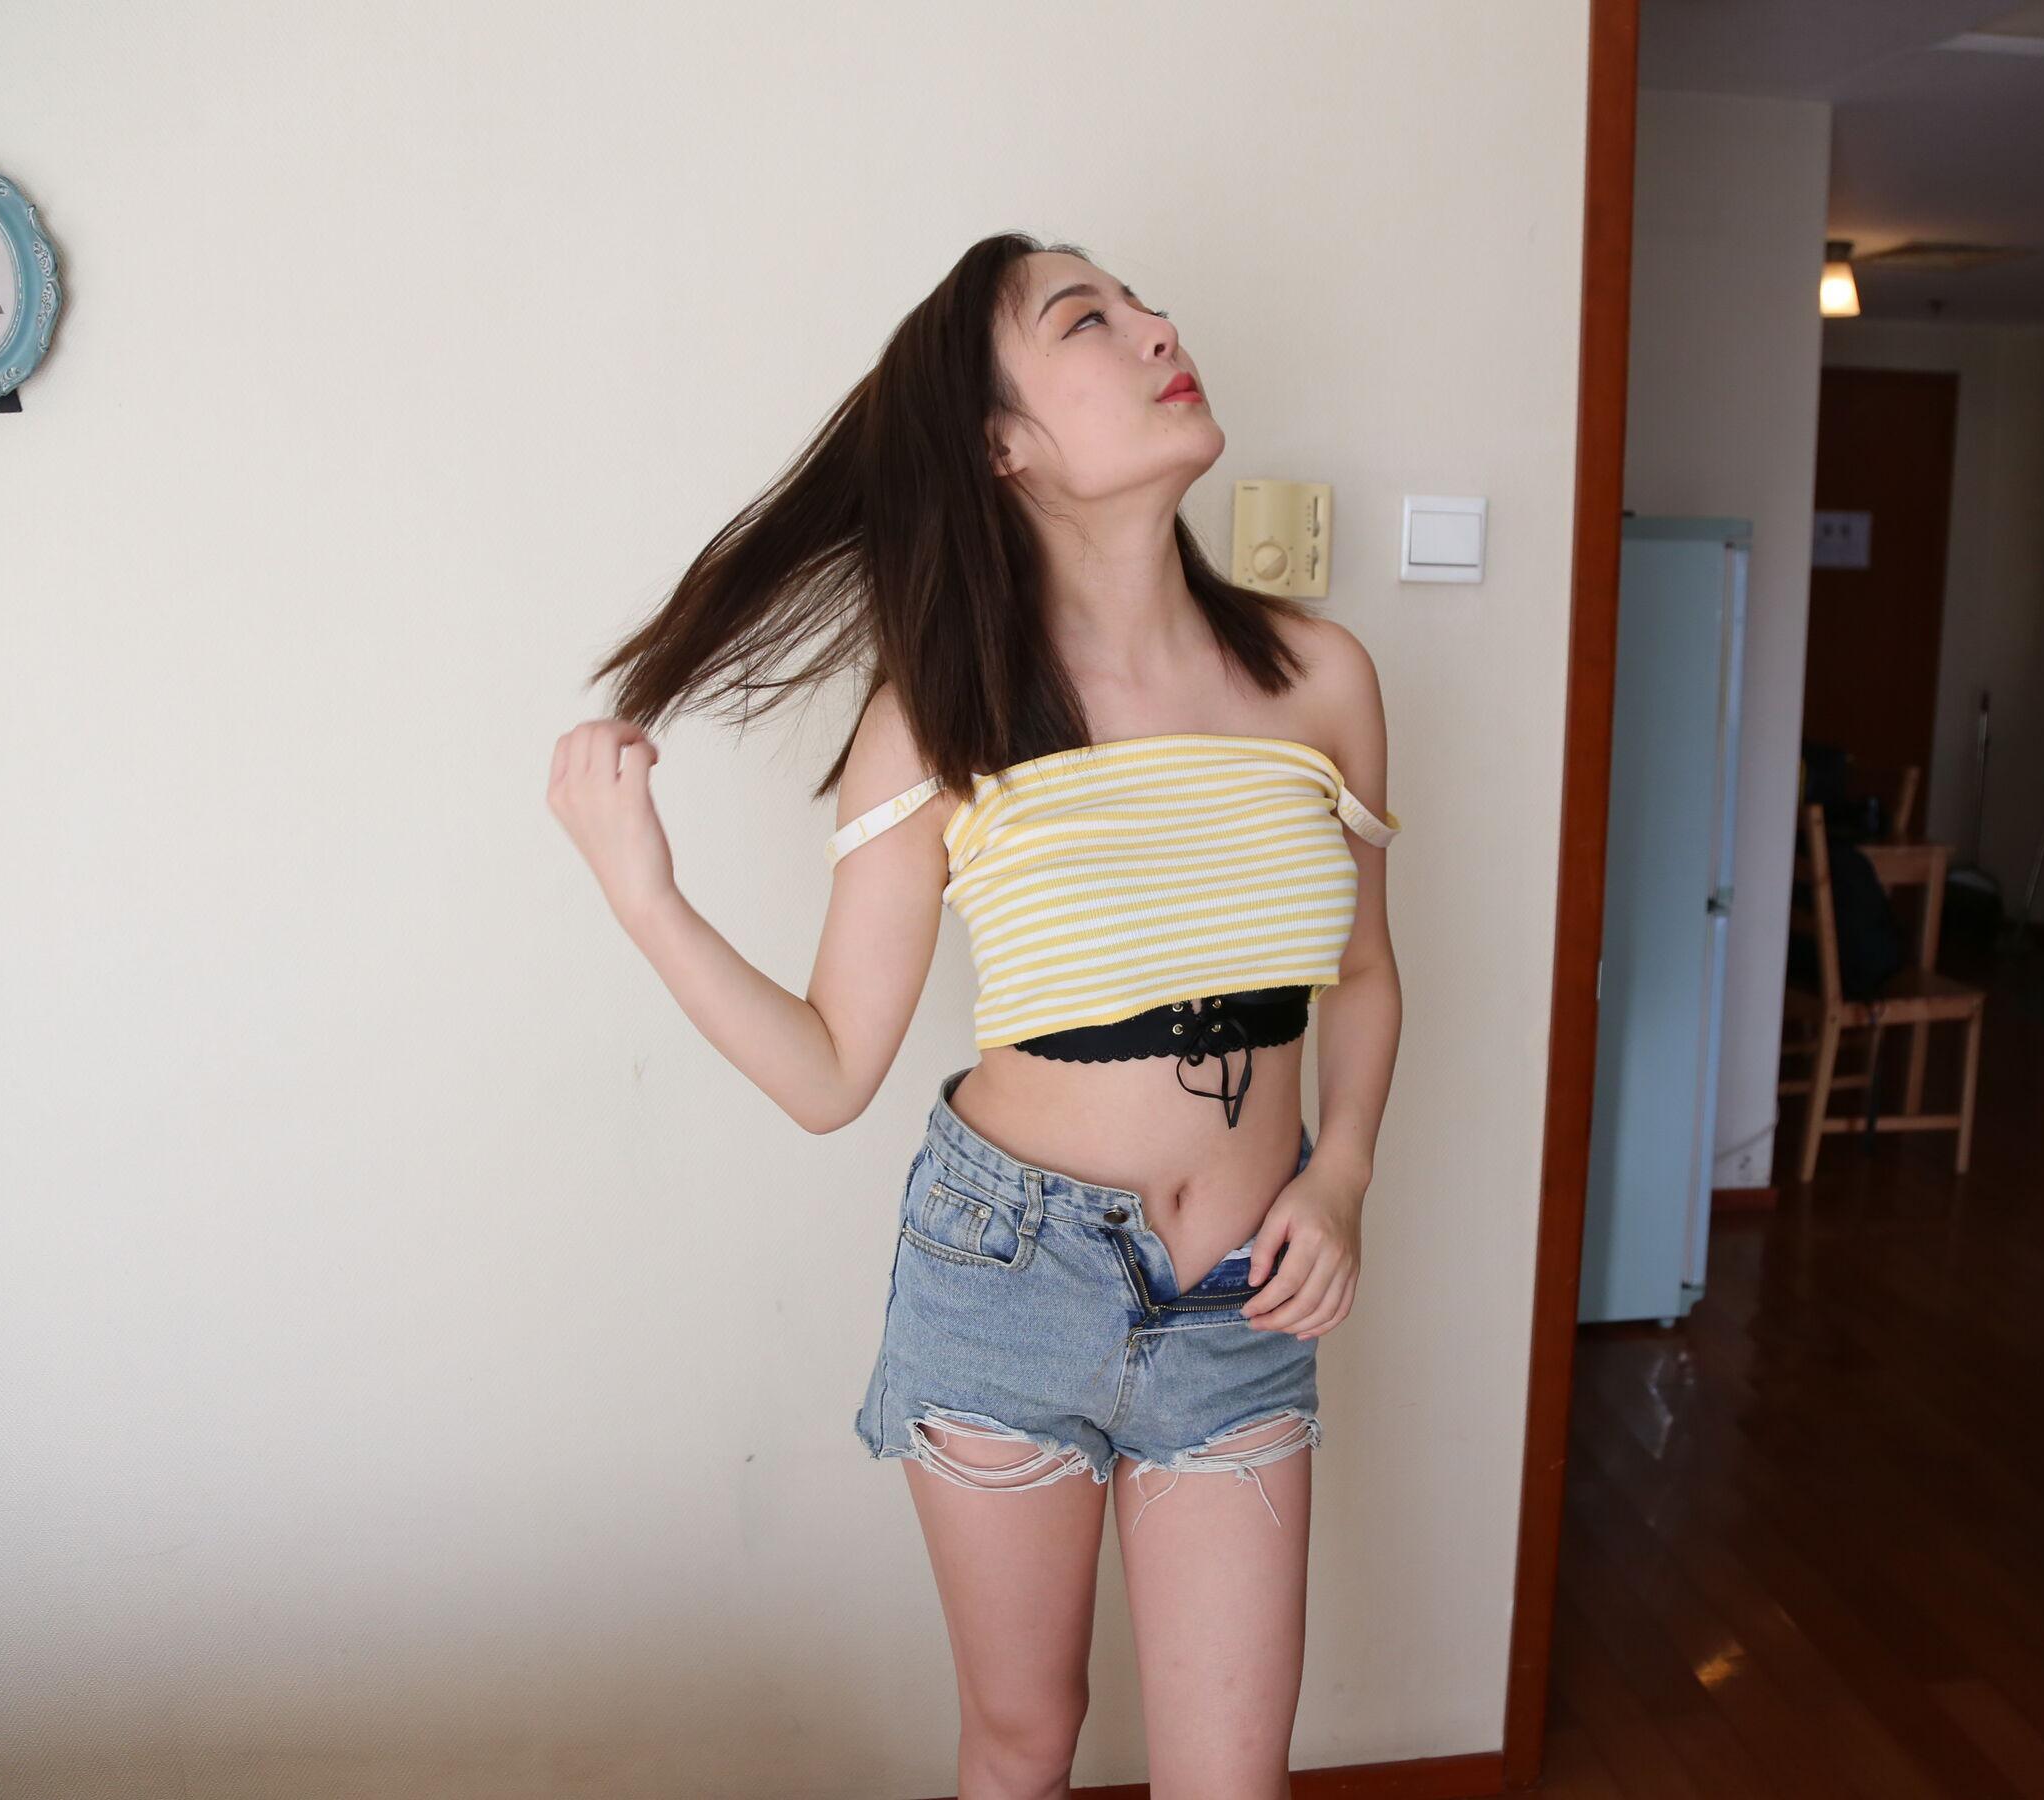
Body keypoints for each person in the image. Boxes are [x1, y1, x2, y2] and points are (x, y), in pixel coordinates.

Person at [545, 232, 1402, 1799]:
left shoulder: (1320, 679)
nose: (1156, 327)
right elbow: (829, 1070)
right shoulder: (937, 716)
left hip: (1243, 1293)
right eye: (1089, 319)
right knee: (1022, 1744)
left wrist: (1340, 1174)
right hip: (1012, 1278)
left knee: (1236, 1782)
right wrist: (644, 895)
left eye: (1142, 303)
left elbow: (1363, 974)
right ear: (1001, 443)